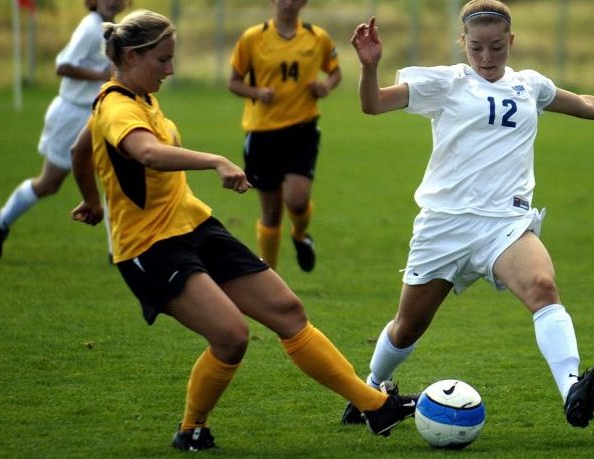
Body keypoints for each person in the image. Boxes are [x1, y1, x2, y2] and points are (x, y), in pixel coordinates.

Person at [69, 9, 416, 452]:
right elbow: (148, 153)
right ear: (133, 57)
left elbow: (81, 149)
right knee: (231, 337)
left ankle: (375, 406)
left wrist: (91, 199)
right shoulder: (117, 106)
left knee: (288, 311)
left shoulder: (134, 98)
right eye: (163, 59)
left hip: (193, 224)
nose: (171, 69)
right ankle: (192, 428)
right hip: (150, 246)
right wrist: (215, 160)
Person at [343, 0, 594, 429]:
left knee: (543, 287)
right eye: (476, 49)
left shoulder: (531, 86)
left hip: (504, 225)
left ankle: (572, 389)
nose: (487, 58)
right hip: (445, 224)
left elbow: (582, 103)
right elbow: (373, 104)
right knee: (407, 327)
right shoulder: (445, 83)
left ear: (511, 41)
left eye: (496, 48)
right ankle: (370, 388)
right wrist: (370, 66)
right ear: (462, 44)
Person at [0, 0, 128, 261]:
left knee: (113, 178)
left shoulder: (114, 29)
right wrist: (100, 76)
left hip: (97, 114)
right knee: (49, 183)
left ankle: (116, 251)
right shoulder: (90, 28)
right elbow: (62, 65)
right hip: (71, 114)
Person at [228, 0, 342, 272]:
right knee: (271, 213)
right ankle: (270, 276)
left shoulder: (317, 37)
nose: (288, 2)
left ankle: (300, 235)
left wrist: (324, 86)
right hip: (262, 133)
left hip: (302, 130)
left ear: (304, 3)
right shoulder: (253, 38)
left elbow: (335, 72)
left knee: (298, 200)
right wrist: (257, 93)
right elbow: (234, 81)